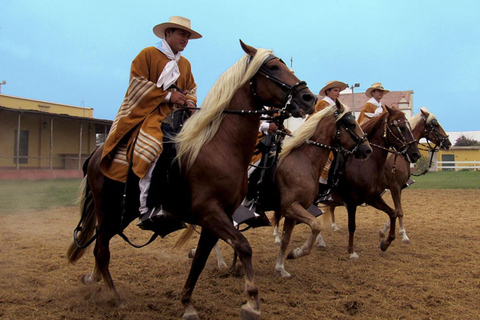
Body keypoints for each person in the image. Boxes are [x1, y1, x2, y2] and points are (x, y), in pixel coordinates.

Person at [99, 16, 202, 228]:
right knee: (154, 146)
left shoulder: (185, 64)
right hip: (145, 116)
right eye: (182, 34)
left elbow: (191, 89)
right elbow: (136, 85)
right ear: (168, 34)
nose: (186, 39)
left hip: (175, 120)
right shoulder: (147, 55)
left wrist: (190, 103)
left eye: (188, 36)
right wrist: (167, 96)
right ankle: (147, 207)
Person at [312, 81, 348, 184]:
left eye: (339, 91)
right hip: (324, 138)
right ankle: (322, 182)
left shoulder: (337, 105)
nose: (338, 93)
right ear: (328, 91)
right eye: (335, 90)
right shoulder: (322, 103)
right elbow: (315, 119)